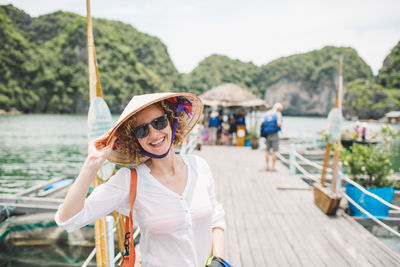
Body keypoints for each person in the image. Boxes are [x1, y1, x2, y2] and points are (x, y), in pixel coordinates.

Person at [55, 92, 227, 267]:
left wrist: (218, 260)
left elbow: (216, 217)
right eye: (142, 130)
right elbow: (68, 219)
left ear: (172, 121)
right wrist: (92, 163)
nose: (153, 134)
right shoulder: (129, 181)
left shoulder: (199, 166)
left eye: (159, 122)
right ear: (134, 139)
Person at [260, 103, 283, 172]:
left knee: (267, 151)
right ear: (279, 109)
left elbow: (261, 123)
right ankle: (273, 167)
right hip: (274, 134)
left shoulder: (266, 114)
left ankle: (267, 166)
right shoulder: (278, 114)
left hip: (267, 135)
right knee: (275, 151)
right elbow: (279, 124)